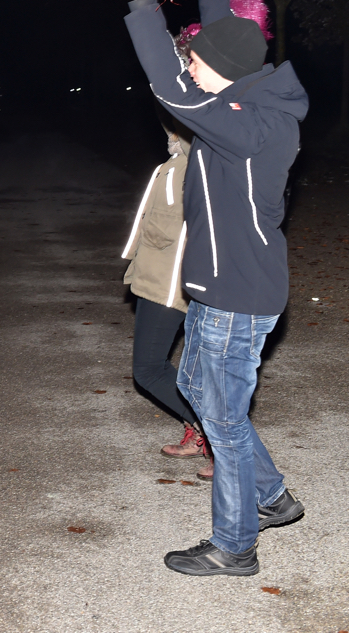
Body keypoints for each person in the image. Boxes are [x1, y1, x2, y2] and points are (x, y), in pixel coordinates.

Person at [127, 0, 307, 576]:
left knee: (224, 422)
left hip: (237, 295)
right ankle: (273, 496)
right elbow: (224, 40)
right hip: (221, 286)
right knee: (196, 390)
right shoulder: (249, 98)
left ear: (224, 75)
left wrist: (147, 0)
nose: (193, 66)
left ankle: (235, 547)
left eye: (199, 62)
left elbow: (169, 84)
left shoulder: (245, 127)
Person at [121, 116, 211, 477]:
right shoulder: (177, 159)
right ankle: (205, 433)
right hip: (160, 274)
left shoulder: (198, 155)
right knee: (194, 370)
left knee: (148, 368)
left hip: (174, 281)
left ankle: (217, 439)